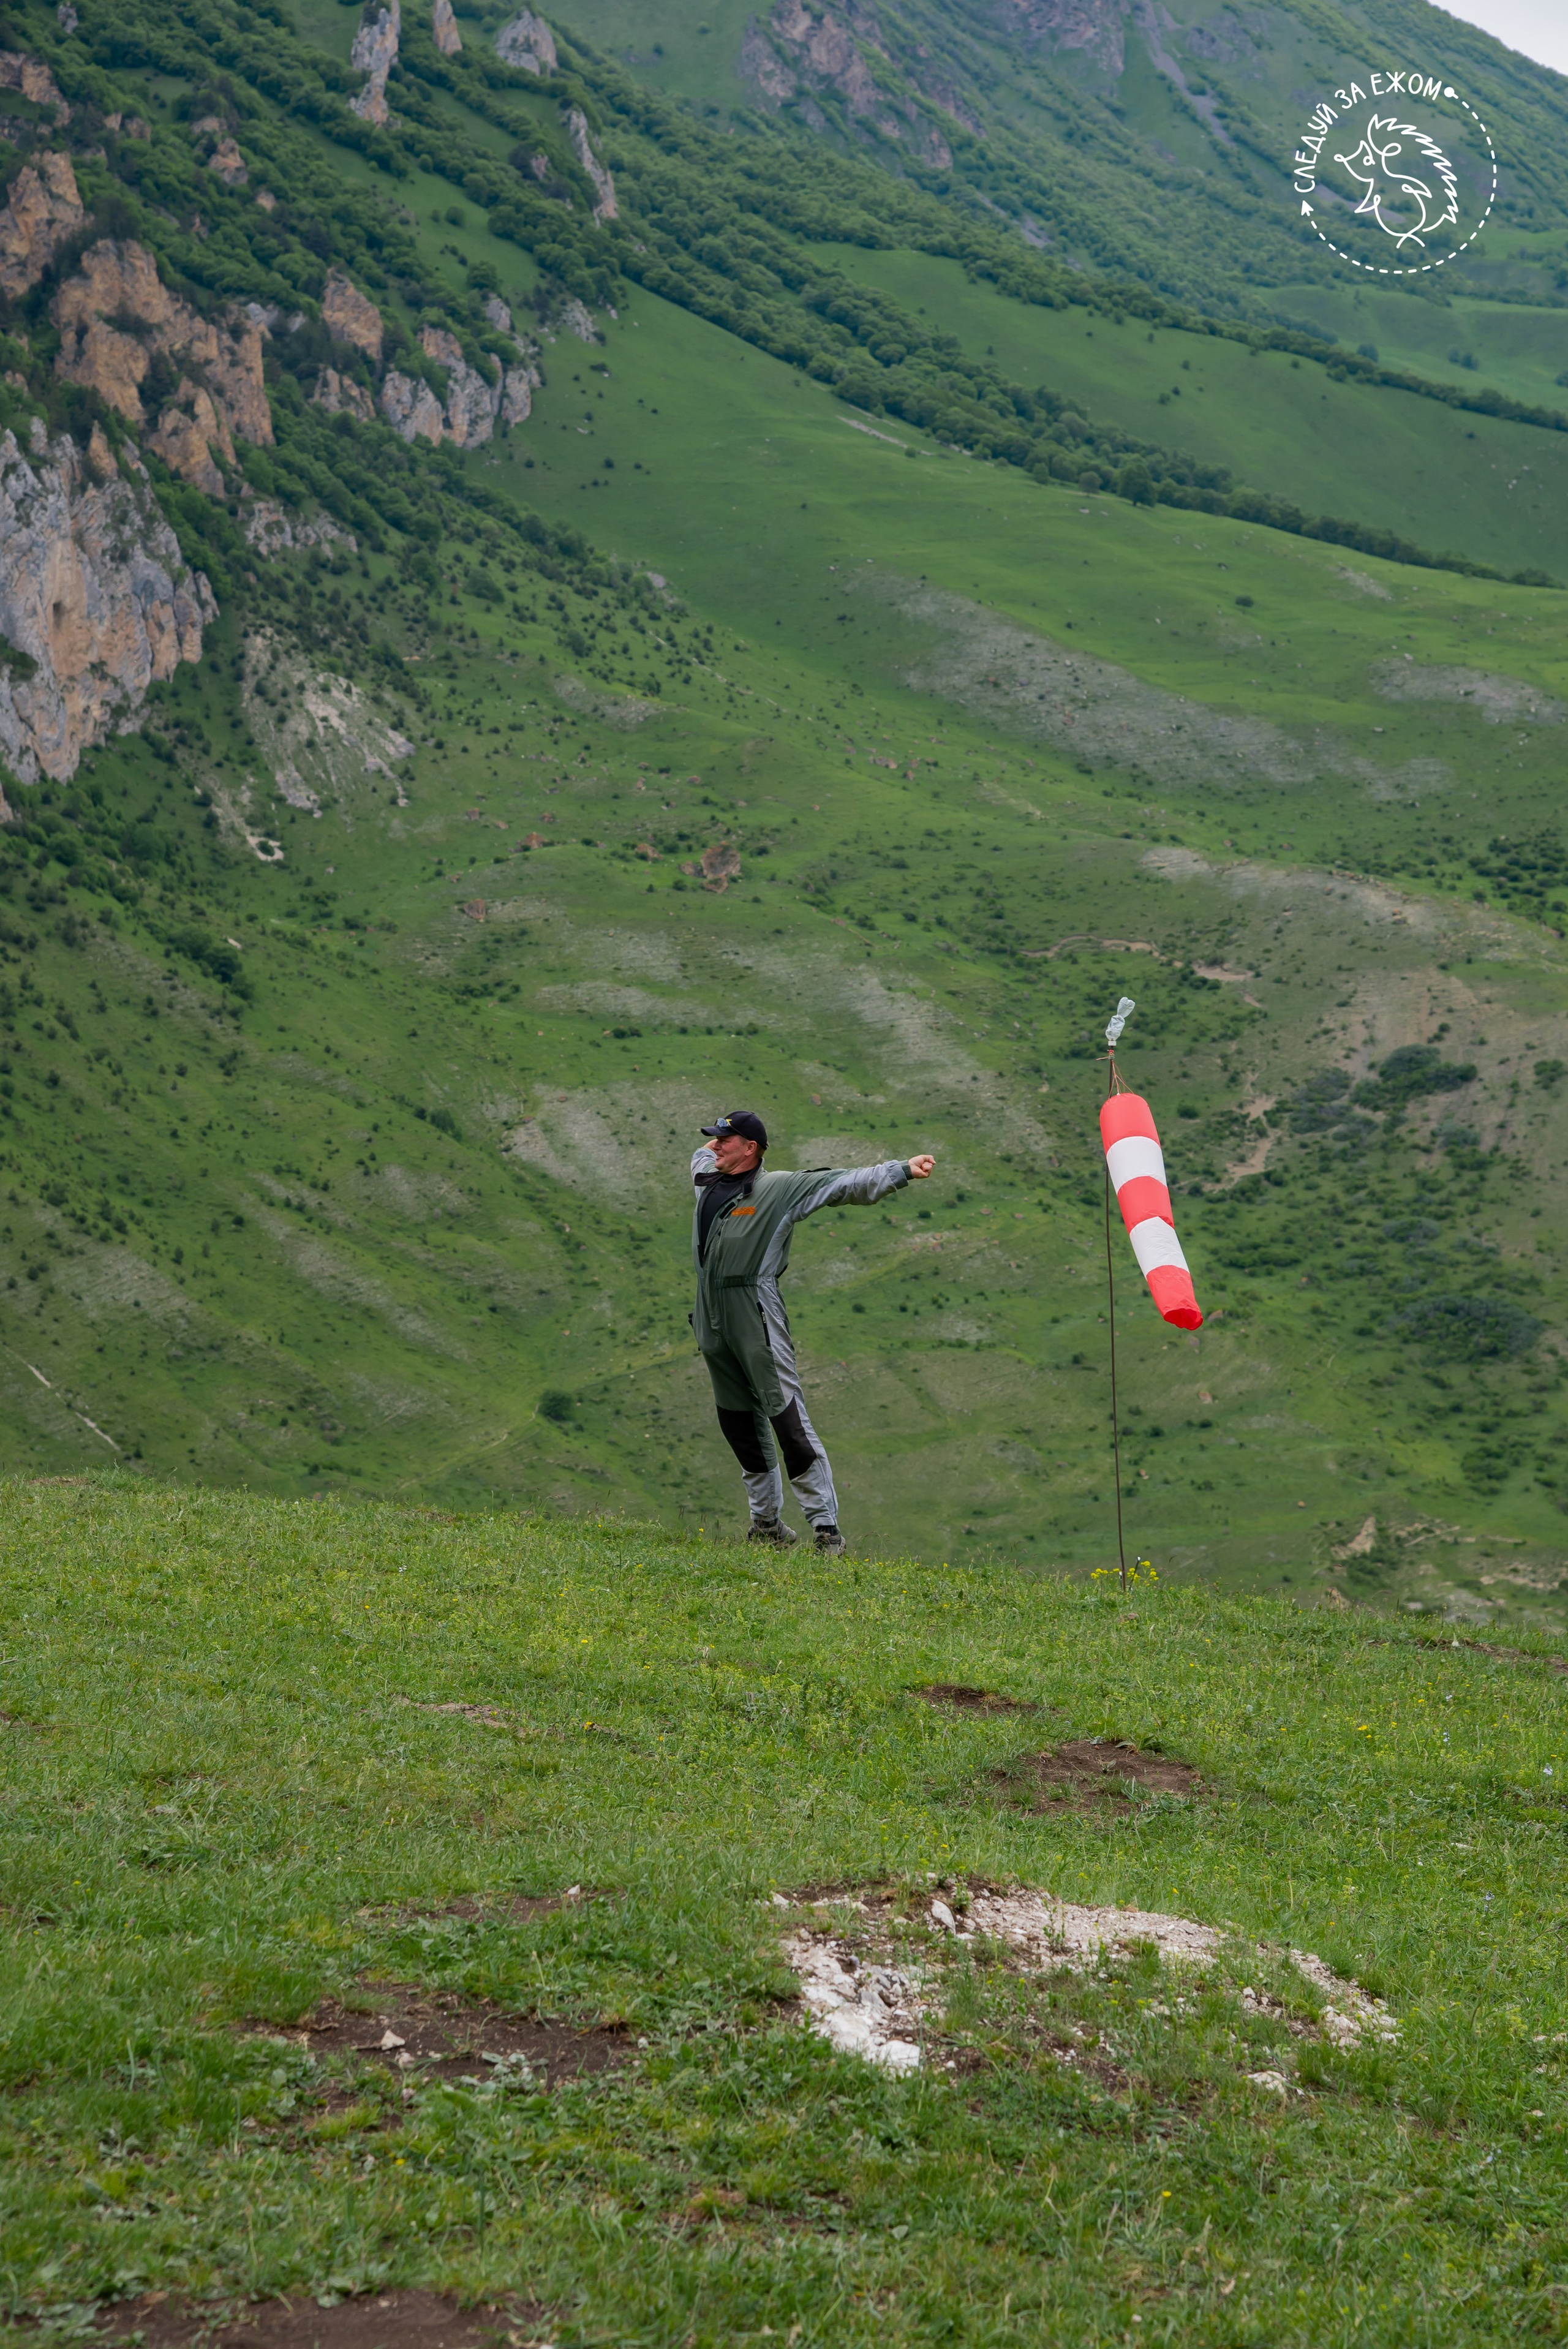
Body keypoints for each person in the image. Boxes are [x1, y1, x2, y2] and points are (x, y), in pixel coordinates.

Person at [690, 1110, 936, 1555]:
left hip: (755, 1312)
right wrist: (708, 1147)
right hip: (710, 1317)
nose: (715, 1146)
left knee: (786, 1417)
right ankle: (766, 1526)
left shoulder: (778, 1187)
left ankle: (827, 1530)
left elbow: (841, 1183)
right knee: (738, 1423)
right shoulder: (707, 1182)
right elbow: (699, 1159)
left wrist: (901, 1171)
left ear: (752, 1148)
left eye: (725, 1140)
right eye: (715, 1140)